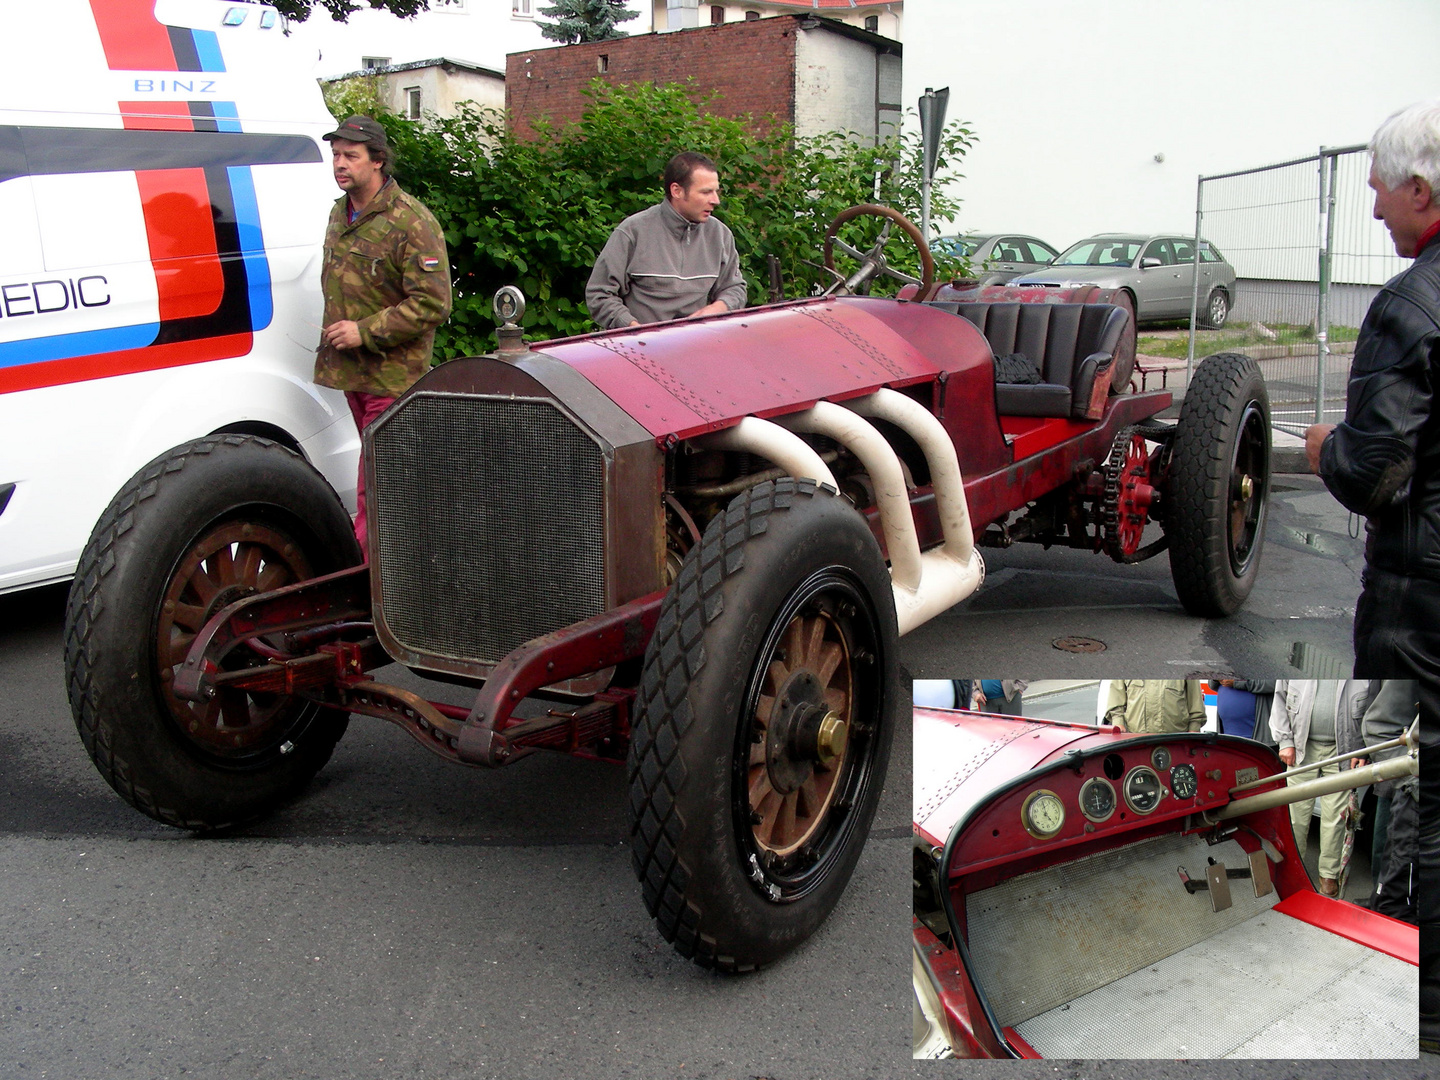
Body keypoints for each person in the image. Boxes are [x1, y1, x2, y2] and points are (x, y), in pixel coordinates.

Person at [1303, 101, 1440, 699]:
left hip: (1419, 607)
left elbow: (1374, 473)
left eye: (1380, 190)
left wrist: (1329, 447)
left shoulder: (1410, 306)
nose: (1377, 209)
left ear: (1419, 190)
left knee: (1402, 772)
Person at [315, 115, 452, 554]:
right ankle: (402, 565)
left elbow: (433, 303)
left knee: (374, 484)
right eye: (336, 154)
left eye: (350, 156)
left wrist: (364, 331)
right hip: (352, 373)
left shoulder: (411, 220)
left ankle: (371, 580)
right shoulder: (341, 213)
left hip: (392, 377)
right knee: (386, 478)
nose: (340, 164)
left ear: (377, 161)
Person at [585, 151, 747, 330]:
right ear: (676, 191)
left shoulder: (720, 235)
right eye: (706, 192)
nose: (715, 200)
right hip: (639, 348)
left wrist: (719, 308)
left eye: (716, 191)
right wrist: (632, 328)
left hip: (698, 345)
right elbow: (599, 294)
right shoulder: (633, 232)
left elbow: (735, 288)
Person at [1271, 680, 1372, 896]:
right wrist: (1285, 742)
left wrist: (1362, 749)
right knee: (1295, 817)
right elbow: (1279, 699)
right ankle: (1290, 870)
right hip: (1301, 748)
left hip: (1343, 750)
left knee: (1335, 817)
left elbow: (1372, 707)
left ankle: (1329, 875)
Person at [1103, 680, 1204, 733]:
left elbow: (1195, 700)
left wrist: (1194, 729)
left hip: (1175, 740)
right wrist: (1118, 723)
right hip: (1137, 740)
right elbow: (1116, 694)